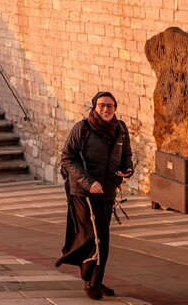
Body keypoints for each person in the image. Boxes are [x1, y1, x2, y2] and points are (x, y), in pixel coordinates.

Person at [55, 91, 134, 300]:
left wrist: (127, 170)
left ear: (115, 108)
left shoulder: (120, 129)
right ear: (94, 107)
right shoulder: (83, 128)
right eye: (101, 105)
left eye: (109, 105)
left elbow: (126, 155)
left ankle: (93, 280)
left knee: (99, 238)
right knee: (98, 238)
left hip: (107, 191)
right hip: (83, 193)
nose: (106, 109)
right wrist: (89, 182)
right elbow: (67, 159)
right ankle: (93, 282)